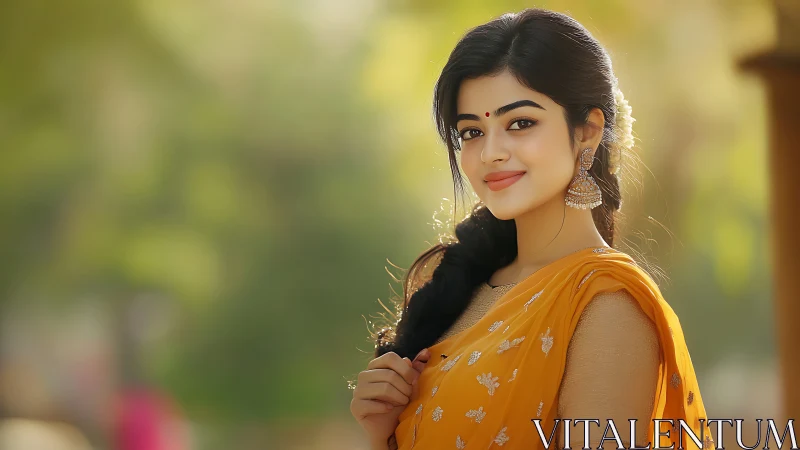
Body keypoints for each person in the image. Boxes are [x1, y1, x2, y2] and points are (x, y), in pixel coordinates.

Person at [350, 8, 711, 450]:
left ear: (587, 131)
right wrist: (380, 433)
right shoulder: (465, 289)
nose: (491, 153)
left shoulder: (606, 304)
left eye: (520, 123)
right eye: (471, 132)